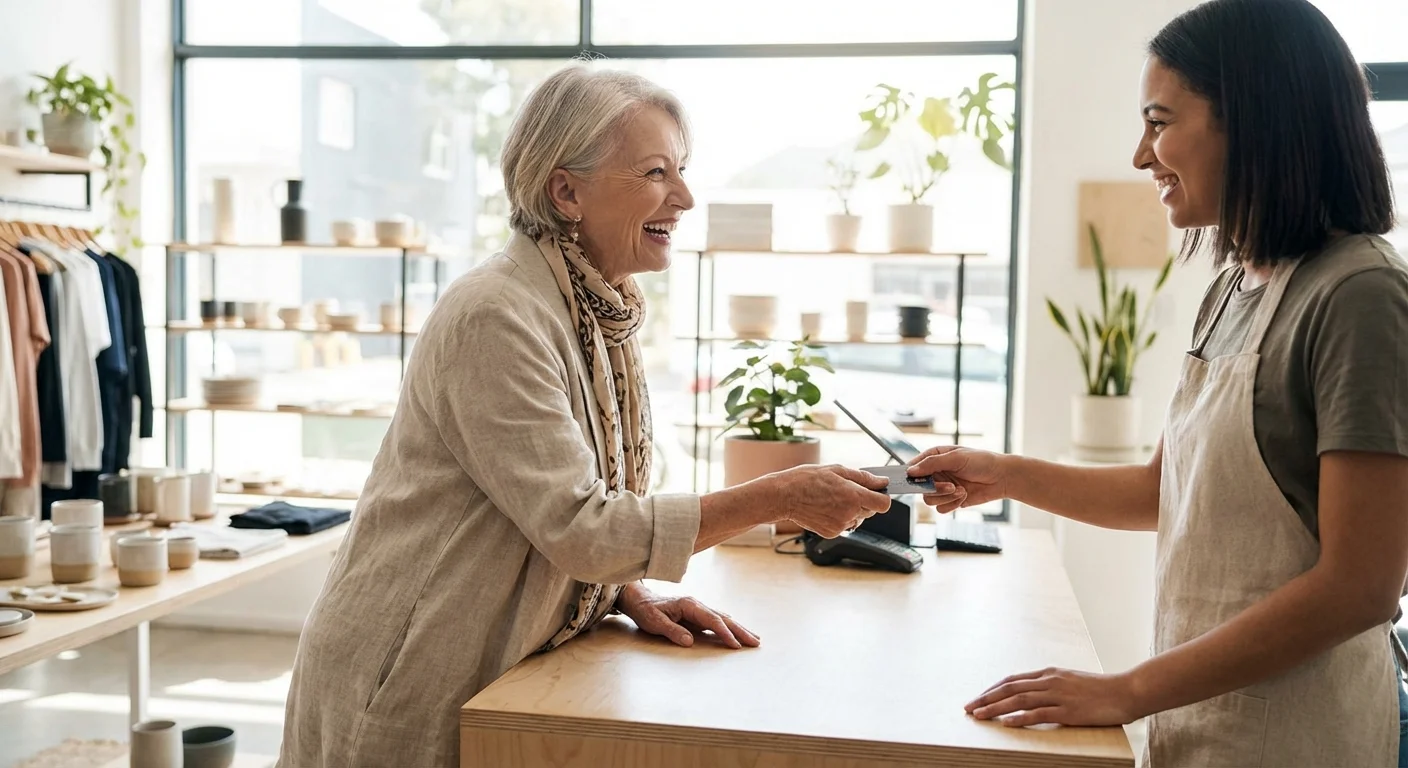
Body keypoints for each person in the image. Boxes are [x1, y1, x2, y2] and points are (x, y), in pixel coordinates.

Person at [276, 65, 892, 768]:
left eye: (682, 170)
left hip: (491, 669)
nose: (685, 197)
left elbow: (548, 512)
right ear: (565, 191)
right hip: (407, 671)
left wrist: (622, 591)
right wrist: (779, 496)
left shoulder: (596, 307)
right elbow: (581, 526)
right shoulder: (495, 315)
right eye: (656, 172)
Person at [908, 1, 1408, 766]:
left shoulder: (1361, 297)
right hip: (1203, 728)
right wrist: (1000, 475)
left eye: (1159, 121)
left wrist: (1126, 688)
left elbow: (1361, 585)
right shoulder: (1235, 285)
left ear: (1254, 119)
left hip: (1304, 738)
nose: (1142, 156)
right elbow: (1164, 492)